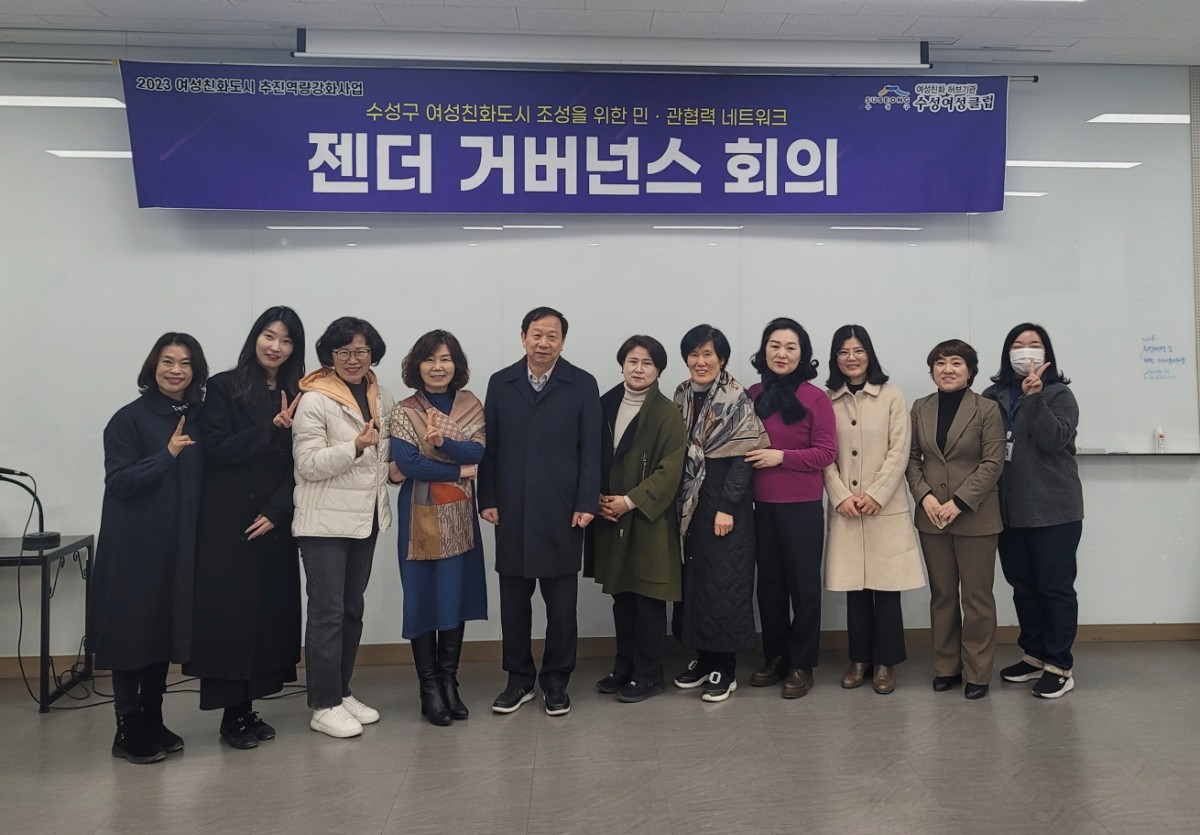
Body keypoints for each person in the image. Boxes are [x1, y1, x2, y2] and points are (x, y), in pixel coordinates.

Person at [183, 307, 305, 749]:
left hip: (274, 519)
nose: (276, 346)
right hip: (228, 519)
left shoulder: (301, 391)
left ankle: (248, 708)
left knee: (268, 616)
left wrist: (278, 510)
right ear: (256, 337)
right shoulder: (223, 386)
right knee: (230, 617)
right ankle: (230, 715)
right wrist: (270, 428)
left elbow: (302, 462)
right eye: (269, 336)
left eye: (286, 340)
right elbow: (216, 448)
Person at [478, 306, 601, 716]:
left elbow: (591, 451)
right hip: (511, 510)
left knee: (562, 608)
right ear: (523, 337)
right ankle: (518, 679)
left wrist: (586, 502)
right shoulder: (501, 383)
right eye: (536, 334)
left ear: (562, 341)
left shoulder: (582, 384)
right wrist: (487, 497)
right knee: (514, 605)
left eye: (552, 336)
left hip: (562, 512)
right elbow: (490, 447)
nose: (543, 343)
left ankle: (556, 681)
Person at [92, 332, 208, 764]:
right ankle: (126, 729)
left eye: (185, 363)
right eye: (167, 361)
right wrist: (167, 454)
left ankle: (152, 719)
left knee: (163, 631)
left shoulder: (198, 417)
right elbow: (119, 481)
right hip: (133, 548)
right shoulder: (128, 419)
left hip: (178, 545)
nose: (176, 370)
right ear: (153, 366)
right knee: (132, 636)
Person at [292, 317, 394, 738]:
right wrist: (354, 446)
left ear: (373, 354)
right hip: (324, 525)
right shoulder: (314, 398)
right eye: (344, 352)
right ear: (329, 356)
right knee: (328, 613)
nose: (353, 359)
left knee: (352, 609)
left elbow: (381, 460)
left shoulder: (380, 395)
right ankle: (323, 704)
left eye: (361, 351)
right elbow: (308, 464)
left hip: (364, 519)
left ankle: (341, 691)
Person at [387, 330, 487, 726]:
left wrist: (442, 441)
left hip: (460, 516)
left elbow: (478, 450)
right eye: (429, 359)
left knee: (454, 596)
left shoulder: (470, 404)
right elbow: (408, 464)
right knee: (423, 598)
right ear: (417, 365)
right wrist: (460, 469)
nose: (437, 367)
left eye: (445, 359)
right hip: (420, 518)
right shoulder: (404, 410)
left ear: (456, 364)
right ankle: (428, 686)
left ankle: (449, 681)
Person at [982, 323, 1084, 699]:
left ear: (1047, 353)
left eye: (1034, 344)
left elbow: (1054, 440)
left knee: (1055, 587)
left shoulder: (1059, 394)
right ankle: (1035, 654)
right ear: (1007, 352)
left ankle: (1059, 665)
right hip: (1008, 510)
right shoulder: (992, 396)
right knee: (1022, 585)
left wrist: (1035, 397)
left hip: (1054, 510)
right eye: (1018, 344)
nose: (1026, 350)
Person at [585, 335, 687, 703]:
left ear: (658, 370)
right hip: (609, 514)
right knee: (622, 595)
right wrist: (596, 498)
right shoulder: (604, 404)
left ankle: (649, 674)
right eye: (632, 361)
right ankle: (624, 667)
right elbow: (589, 454)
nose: (639, 369)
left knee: (648, 598)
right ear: (622, 365)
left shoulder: (666, 413)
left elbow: (670, 469)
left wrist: (629, 501)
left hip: (647, 519)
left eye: (647, 363)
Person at [823, 325, 924, 695]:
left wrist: (877, 493)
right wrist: (840, 495)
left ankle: (886, 662)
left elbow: (900, 450)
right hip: (846, 508)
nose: (851, 358)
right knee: (855, 590)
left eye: (858, 350)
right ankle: (859, 659)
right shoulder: (826, 399)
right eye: (843, 351)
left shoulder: (891, 395)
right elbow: (823, 453)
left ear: (870, 354)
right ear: (835, 357)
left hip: (884, 507)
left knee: (887, 589)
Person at [671, 325, 768, 702]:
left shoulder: (736, 396)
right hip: (689, 504)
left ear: (722, 359)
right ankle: (703, 656)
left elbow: (745, 458)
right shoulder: (681, 393)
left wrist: (727, 506)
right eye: (694, 354)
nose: (700, 361)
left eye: (708, 354)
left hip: (725, 503)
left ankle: (724, 668)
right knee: (695, 582)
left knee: (726, 581)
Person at [905, 339, 1005, 700]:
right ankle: (946, 666)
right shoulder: (920, 407)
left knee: (977, 598)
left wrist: (959, 502)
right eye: (940, 363)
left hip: (975, 516)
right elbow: (910, 458)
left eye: (956, 363)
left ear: (970, 371)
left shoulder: (987, 409)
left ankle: (978, 672)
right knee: (943, 595)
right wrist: (925, 496)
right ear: (932, 369)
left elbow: (993, 463)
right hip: (932, 517)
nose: (947, 369)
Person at [745, 318, 837, 699]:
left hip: (801, 507)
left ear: (803, 355)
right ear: (764, 350)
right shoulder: (751, 394)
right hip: (759, 506)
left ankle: (802, 663)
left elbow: (826, 453)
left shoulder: (815, 398)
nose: (781, 353)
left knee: (803, 588)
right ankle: (776, 656)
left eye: (790, 347)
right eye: (775, 345)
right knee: (768, 586)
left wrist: (780, 456)